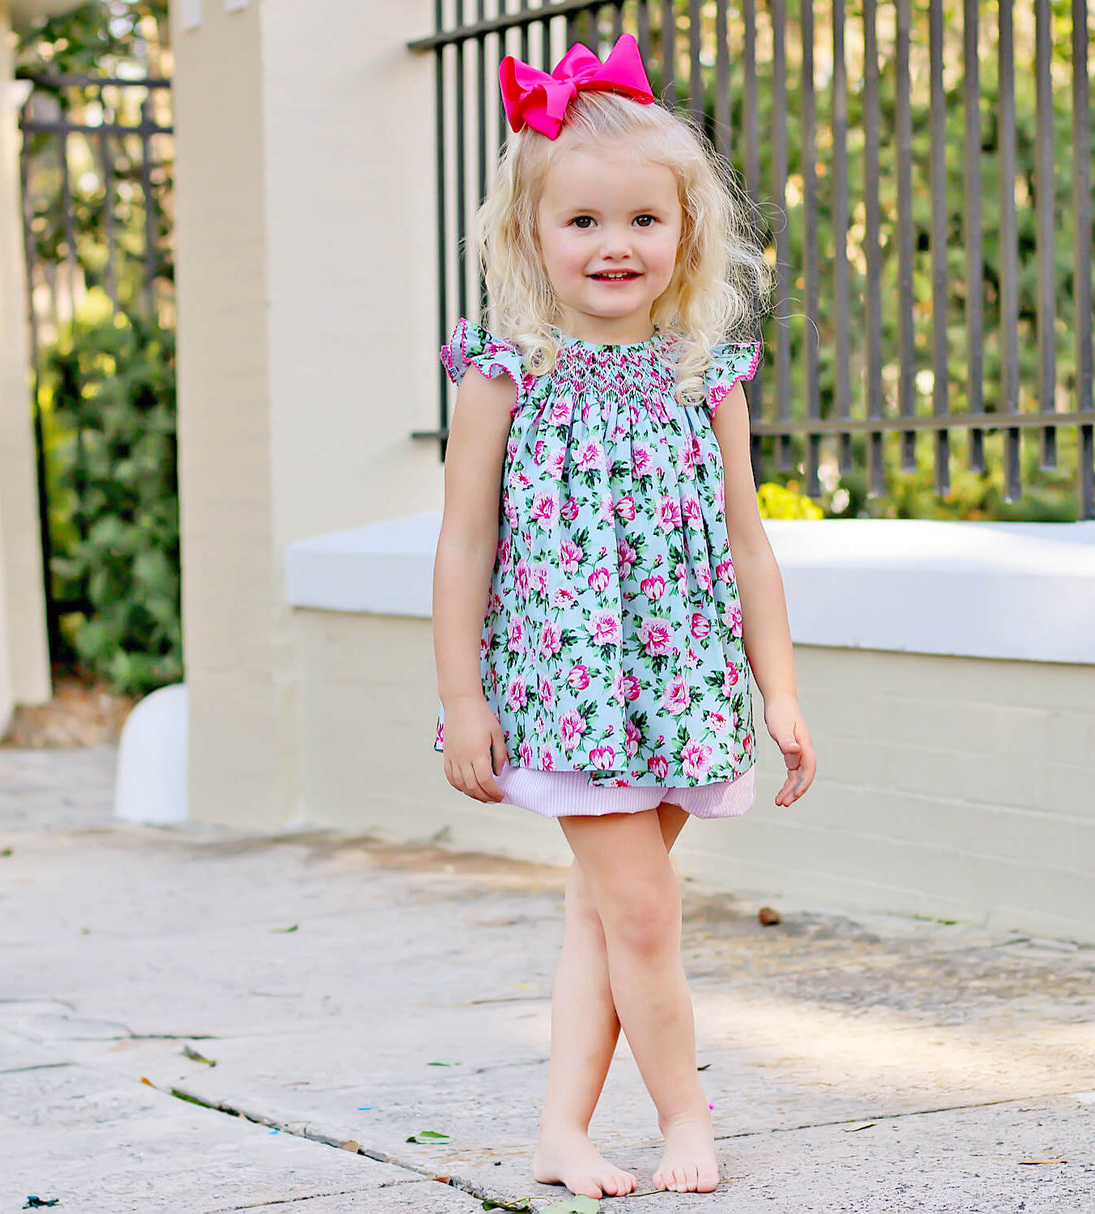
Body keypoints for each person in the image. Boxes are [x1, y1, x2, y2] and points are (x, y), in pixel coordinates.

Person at [430, 31, 817, 1199]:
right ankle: (684, 1116)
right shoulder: (504, 370)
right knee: (643, 912)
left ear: (684, 233)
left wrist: (778, 685)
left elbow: (747, 539)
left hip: (678, 679)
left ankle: (559, 1130)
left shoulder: (705, 370)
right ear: (530, 235)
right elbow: (463, 541)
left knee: (603, 921)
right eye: (582, 221)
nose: (614, 245)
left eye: (642, 221)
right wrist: (461, 699)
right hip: (568, 685)